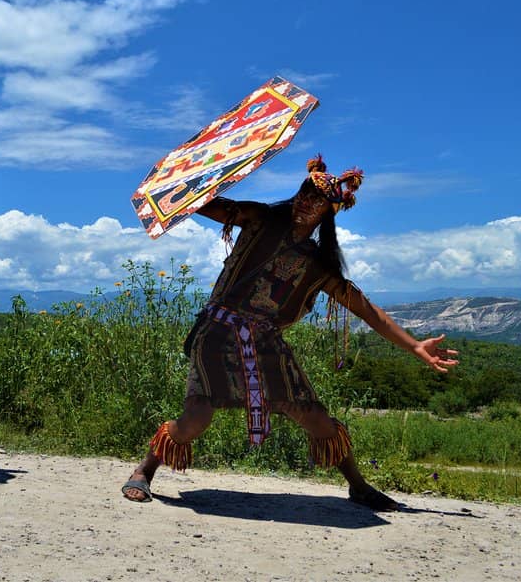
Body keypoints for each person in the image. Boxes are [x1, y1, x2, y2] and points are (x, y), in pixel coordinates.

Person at [121, 155, 459, 510]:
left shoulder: (317, 265)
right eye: (304, 193)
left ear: (327, 213)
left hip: (266, 342)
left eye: (316, 201)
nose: (305, 202)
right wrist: (180, 184)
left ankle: (358, 486)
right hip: (218, 332)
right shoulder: (258, 218)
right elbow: (208, 205)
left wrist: (415, 346)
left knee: (315, 418)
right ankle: (145, 470)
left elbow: (363, 308)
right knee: (196, 418)